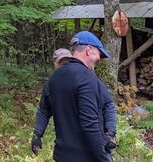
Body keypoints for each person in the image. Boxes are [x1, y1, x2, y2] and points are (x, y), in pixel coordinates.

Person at [33, 31, 115, 161]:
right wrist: (104, 157)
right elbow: (90, 124)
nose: (99, 59)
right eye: (99, 54)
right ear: (88, 50)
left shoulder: (53, 79)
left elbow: (108, 104)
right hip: (86, 156)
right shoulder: (87, 78)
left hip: (62, 155)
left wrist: (110, 132)